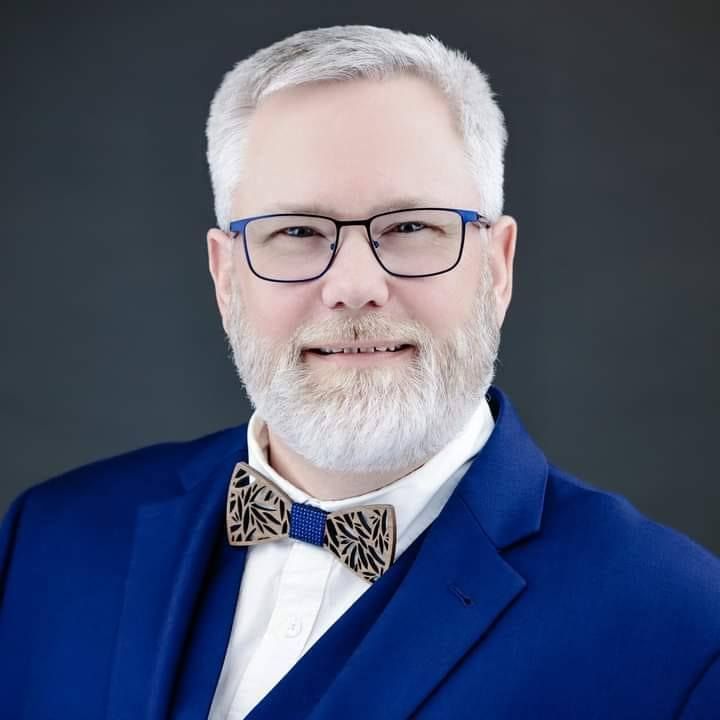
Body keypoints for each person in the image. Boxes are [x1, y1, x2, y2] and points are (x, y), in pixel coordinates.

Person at [0, 24, 718, 720]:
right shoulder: (49, 539)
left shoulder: (685, 630)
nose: (353, 285)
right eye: (296, 232)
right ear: (225, 277)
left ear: (497, 267)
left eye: (409, 226)